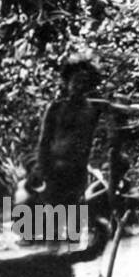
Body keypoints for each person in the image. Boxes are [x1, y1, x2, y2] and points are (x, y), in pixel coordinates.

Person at [34, 57, 107, 207]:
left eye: (84, 82)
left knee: (73, 213)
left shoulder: (93, 109)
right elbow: (44, 141)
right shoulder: (55, 108)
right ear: (67, 82)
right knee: (52, 214)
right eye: (76, 81)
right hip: (54, 167)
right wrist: (41, 168)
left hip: (77, 169)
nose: (79, 86)